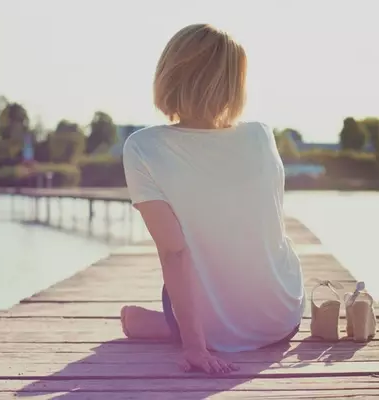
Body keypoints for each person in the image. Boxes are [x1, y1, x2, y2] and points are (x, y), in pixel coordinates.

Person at [120, 24, 305, 374]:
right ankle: (168, 324)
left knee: (174, 281)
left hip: (215, 333)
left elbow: (174, 253)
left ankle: (165, 325)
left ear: (169, 74)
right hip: (282, 317)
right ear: (235, 85)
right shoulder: (261, 136)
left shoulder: (143, 147)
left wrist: (195, 347)